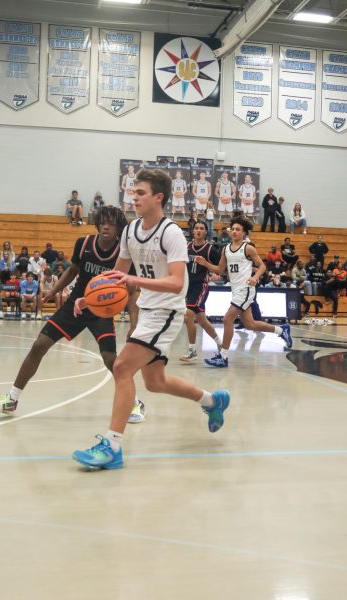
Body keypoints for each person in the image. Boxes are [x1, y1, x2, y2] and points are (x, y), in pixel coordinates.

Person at [72, 169, 230, 470]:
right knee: (155, 382)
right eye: (133, 192)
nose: (134, 197)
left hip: (168, 311)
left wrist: (132, 279)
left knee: (121, 367)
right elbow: (116, 275)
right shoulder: (131, 231)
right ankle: (212, 401)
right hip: (148, 310)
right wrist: (89, 296)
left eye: (140, 192)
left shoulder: (170, 233)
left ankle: (112, 446)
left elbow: (175, 282)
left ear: (159, 197)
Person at [0, 206, 145, 425]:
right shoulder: (84, 243)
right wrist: (54, 290)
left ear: (119, 227)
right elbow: (72, 271)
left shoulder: (125, 253)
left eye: (112, 222)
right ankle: (11, 399)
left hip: (102, 310)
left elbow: (132, 291)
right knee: (39, 344)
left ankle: (134, 402)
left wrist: (134, 324)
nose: (106, 226)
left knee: (110, 360)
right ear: (97, 223)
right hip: (75, 304)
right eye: (103, 221)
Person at [193, 215, 292, 369]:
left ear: (244, 233)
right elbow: (219, 270)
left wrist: (255, 277)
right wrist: (205, 263)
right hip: (236, 290)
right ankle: (281, 330)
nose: (234, 232)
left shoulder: (248, 248)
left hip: (246, 289)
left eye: (238, 230)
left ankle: (223, 357)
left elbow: (263, 266)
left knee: (227, 319)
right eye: (233, 229)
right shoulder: (226, 249)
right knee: (250, 324)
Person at [180, 221, 222, 363]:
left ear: (205, 232)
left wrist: (206, 264)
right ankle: (221, 344)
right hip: (188, 287)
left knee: (188, 316)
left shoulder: (210, 250)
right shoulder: (186, 247)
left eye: (202, 228)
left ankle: (192, 351)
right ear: (192, 231)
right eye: (196, 228)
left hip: (201, 286)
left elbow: (220, 269)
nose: (198, 230)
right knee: (203, 321)